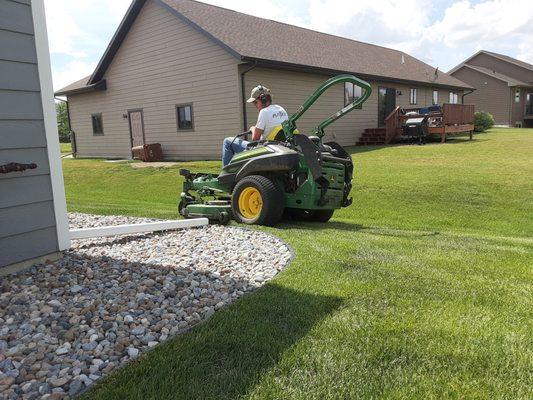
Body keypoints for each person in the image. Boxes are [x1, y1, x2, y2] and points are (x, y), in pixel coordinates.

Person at [222, 85, 288, 166]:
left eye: (255, 102)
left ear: (263, 99)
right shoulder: (281, 109)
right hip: (280, 147)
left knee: (228, 141)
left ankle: (225, 175)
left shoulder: (264, 112)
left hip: (264, 149)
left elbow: (255, 139)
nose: (255, 106)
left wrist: (253, 129)